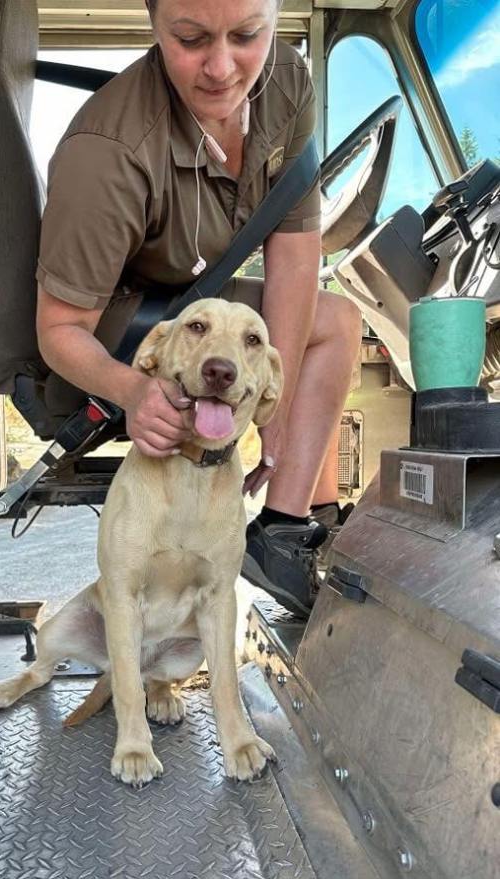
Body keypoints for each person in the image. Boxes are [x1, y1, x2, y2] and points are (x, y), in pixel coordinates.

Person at [35, 0, 361, 618]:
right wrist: (133, 391)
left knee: (334, 320)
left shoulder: (287, 79)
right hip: (118, 334)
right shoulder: (107, 153)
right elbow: (58, 330)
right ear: (154, 24)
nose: (221, 67)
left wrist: (277, 406)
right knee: (331, 327)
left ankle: (297, 523)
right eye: (190, 38)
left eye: (247, 35)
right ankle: (286, 532)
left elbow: (293, 247)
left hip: (186, 304)